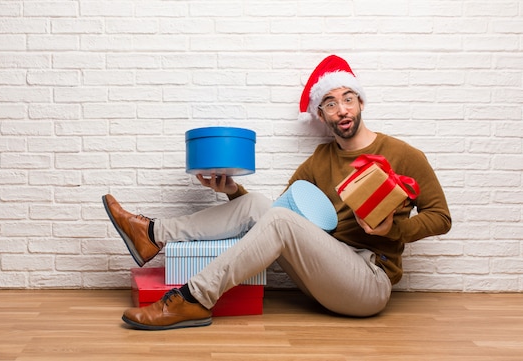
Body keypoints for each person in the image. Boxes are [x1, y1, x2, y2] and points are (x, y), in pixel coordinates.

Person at [102, 54, 452, 331]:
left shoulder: (404, 155)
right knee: (257, 203)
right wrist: (232, 191)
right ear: (322, 114)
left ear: (360, 102)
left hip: (368, 283)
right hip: (325, 271)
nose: (341, 109)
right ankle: (152, 234)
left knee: (280, 218)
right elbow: (271, 221)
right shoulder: (320, 159)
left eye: (347, 99)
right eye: (330, 103)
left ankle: (192, 298)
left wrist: (394, 229)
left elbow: (441, 218)